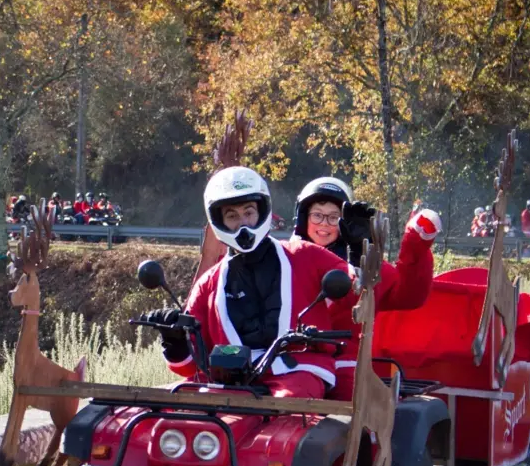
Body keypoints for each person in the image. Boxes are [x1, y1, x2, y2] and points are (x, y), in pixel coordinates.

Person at [145, 167, 400, 400]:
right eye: (232, 216)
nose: (243, 222)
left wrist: (358, 251)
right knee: (183, 410)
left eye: (248, 212)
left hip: (299, 373)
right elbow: (191, 367)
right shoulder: (208, 285)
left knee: (288, 401)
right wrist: (174, 339)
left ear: (262, 212)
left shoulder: (304, 255)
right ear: (219, 221)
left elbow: (362, 293)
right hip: (232, 384)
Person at [290, 176, 439, 400]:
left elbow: (410, 296)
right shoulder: (282, 259)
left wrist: (415, 246)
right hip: (289, 360)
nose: (324, 224)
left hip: (344, 365)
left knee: (355, 407)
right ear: (302, 218)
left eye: (333, 217)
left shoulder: (367, 267)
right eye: (317, 215)